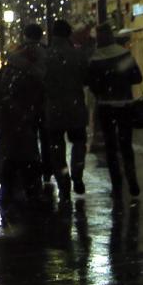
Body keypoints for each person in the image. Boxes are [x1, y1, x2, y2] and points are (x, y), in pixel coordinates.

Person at [0, 26, 48, 207]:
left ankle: (8, 191)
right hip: (25, 115)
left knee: (11, 153)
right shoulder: (42, 57)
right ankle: (31, 190)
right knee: (27, 153)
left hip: (10, 116)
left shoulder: (14, 60)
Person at [88, 25, 143, 201]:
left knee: (111, 147)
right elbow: (137, 77)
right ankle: (132, 179)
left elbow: (92, 84)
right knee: (126, 144)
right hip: (125, 104)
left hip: (105, 106)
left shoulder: (95, 59)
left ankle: (117, 184)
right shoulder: (124, 54)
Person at [40, 19, 91, 203]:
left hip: (53, 108)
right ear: (68, 33)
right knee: (78, 142)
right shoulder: (77, 55)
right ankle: (77, 173)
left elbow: (40, 81)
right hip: (75, 105)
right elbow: (86, 78)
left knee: (56, 146)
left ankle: (63, 182)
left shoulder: (46, 56)